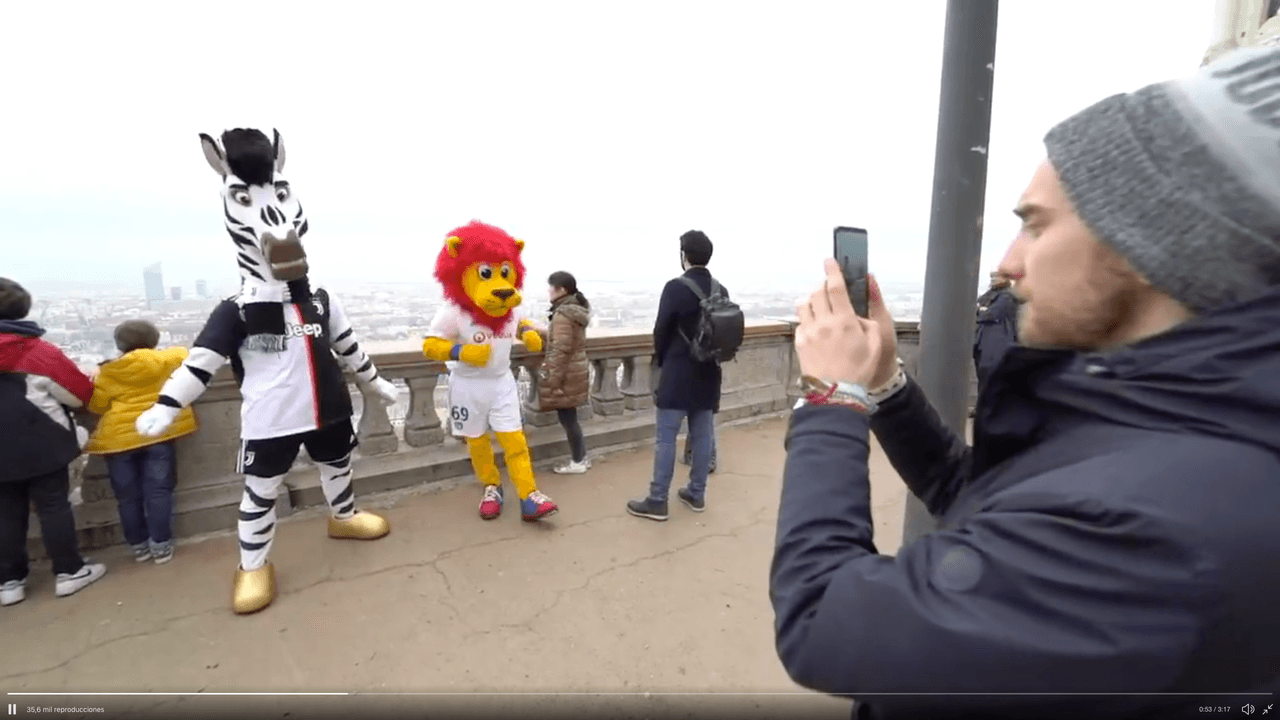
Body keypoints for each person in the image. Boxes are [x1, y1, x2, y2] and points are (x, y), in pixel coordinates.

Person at [769, 46, 1280, 720]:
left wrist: (832, 399)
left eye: (1036, 225)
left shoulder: (1152, 533)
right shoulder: (1186, 437)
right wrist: (887, 386)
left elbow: (824, 619)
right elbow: (983, 500)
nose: (1008, 265)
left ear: (1148, 245)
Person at [0, 278, 106, 606]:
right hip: (43, 444)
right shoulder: (36, 350)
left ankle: (9, 581)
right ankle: (69, 572)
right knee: (53, 506)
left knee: (5, 513)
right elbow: (79, 396)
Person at [627, 230, 726, 520]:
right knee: (702, 435)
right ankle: (696, 494)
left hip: (678, 372)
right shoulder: (721, 290)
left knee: (666, 438)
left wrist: (662, 359)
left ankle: (658, 500)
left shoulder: (675, 288)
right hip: (709, 374)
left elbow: (661, 330)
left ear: (684, 256)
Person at [84, 320, 198, 565]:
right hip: (157, 432)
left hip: (119, 440)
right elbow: (186, 354)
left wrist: (100, 371)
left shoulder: (109, 371)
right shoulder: (165, 359)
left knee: (127, 496)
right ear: (154, 340)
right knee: (158, 490)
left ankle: (138, 546)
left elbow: (97, 405)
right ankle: (161, 545)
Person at [540, 271, 593, 475]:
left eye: (551, 287)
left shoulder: (563, 314)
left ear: (561, 290)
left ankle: (578, 461)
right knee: (571, 418)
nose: (548, 292)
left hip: (567, 374)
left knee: (568, 419)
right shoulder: (575, 310)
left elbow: (560, 350)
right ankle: (581, 457)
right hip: (576, 369)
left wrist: (553, 381)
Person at [972, 270, 1018, 401]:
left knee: (992, 376)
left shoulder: (1007, 296)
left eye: (996, 277)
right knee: (983, 376)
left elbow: (991, 314)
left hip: (997, 343)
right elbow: (976, 308)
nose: (993, 279)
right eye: (992, 276)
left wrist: (980, 311)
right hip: (983, 342)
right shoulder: (990, 295)